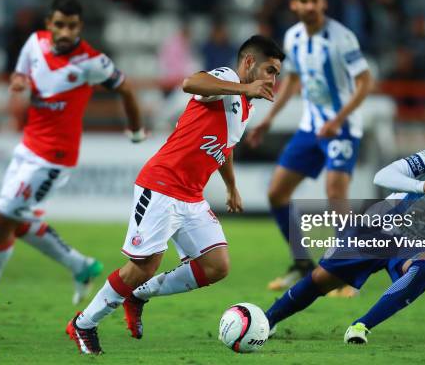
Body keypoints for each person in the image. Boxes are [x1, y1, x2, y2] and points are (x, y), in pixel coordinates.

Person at [66, 35, 284, 355]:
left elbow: (224, 147)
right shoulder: (228, 78)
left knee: (216, 265)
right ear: (249, 63)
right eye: (269, 70)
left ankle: (139, 295)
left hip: (192, 196)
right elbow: (190, 82)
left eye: (277, 74)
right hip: (162, 185)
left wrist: (231, 186)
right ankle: (83, 323)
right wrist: (244, 87)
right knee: (143, 265)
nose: (273, 80)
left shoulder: (245, 108)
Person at [0, 0, 144, 311]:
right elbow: (19, 75)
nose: (65, 32)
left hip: (54, 156)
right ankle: (80, 266)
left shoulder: (91, 62)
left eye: (72, 26)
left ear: (80, 27)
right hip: (27, 146)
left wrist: (135, 129)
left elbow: (126, 89)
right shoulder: (34, 43)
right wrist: (19, 84)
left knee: (1, 220)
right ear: (49, 24)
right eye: (59, 24)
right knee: (13, 222)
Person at [264, 126, 425, 343]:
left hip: (417, 246)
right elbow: (383, 175)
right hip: (379, 227)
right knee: (320, 281)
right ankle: (267, 320)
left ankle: (360, 327)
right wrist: (421, 185)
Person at [246, 0, 372, 292]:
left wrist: (338, 119)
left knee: (335, 194)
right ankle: (302, 263)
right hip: (310, 127)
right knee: (276, 193)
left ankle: (347, 272)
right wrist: (268, 119)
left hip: (341, 128)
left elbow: (365, 81)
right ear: (293, 4)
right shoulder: (293, 37)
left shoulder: (342, 37)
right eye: (304, 1)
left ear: (324, 2)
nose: (310, 6)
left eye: (315, 0)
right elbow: (292, 80)